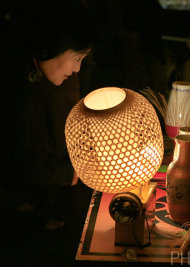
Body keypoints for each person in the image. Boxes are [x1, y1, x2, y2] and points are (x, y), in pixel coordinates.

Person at [2, 0, 96, 230]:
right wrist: (67, 173)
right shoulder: (13, 83)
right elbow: (13, 161)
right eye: (77, 58)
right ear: (56, 45)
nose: (77, 69)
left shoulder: (26, 70)